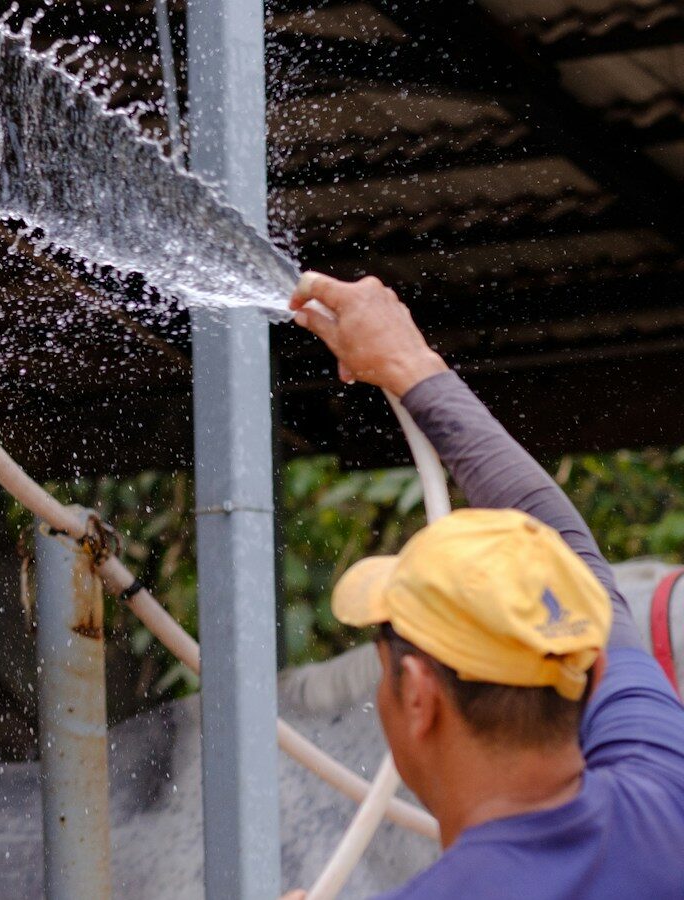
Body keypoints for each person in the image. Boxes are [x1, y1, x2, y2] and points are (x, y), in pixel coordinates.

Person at [281, 272, 684, 899]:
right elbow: (577, 563)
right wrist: (410, 364)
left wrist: (411, 363)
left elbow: (578, 560)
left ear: (417, 697)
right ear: (598, 673)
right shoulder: (666, 800)